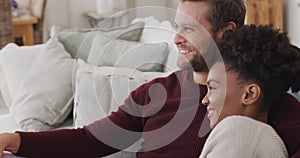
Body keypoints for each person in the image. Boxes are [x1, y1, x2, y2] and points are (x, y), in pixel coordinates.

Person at [0, 0, 299, 158]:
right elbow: (88, 140)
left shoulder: (264, 100)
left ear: (227, 31)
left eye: (190, 29)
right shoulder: (157, 93)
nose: (177, 39)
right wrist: (15, 140)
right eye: (176, 27)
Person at [199, 25, 300, 157]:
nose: (204, 100)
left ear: (249, 94)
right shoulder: (264, 139)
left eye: (212, 88)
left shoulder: (239, 130)